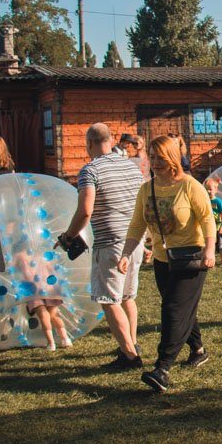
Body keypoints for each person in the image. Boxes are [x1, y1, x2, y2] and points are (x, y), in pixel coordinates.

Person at [118, 135, 215, 391]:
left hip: (191, 258)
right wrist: (126, 254)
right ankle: (198, 349)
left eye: (161, 157)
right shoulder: (146, 188)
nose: (156, 162)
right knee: (181, 308)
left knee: (173, 309)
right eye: (153, 157)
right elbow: (137, 225)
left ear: (172, 157)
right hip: (163, 260)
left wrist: (210, 250)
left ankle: (162, 367)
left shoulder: (190, 186)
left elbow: (207, 219)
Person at [60, 123, 146, 371]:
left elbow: (85, 210)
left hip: (110, 243)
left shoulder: (90, 171)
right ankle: (131, 344)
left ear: (89, 143)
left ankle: (129, 356)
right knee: (128, 296)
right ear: (110, 140)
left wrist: (69, 236)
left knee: (109, 299)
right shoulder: (132, 167)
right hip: (134, 241)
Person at [205, 176, 222, 268]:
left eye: (210, 189)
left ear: (216, 190)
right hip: (210, 227)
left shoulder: (218, 201)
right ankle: (212, 261)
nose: (208, 191)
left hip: (218, 227)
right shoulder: (205, 201)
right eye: (206, 189)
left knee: (220, 244)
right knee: (211, 244)